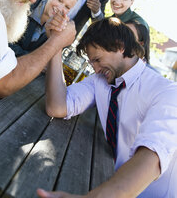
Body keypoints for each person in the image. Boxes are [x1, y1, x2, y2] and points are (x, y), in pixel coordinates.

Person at [37, 17, 177, 198]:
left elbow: (151, 158)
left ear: (119, 46)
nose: (95, 69)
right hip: (110, 184)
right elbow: (57, 106)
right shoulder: (101, 81)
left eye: (97, 59)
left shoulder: (166, 92)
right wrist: (55, 46)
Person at [9, 0, 79, 56]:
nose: (60, 8)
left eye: (67, 7)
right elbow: (6, 41)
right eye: (59, 0)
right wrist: (32, 59)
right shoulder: (26, 5)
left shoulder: (58, 30)